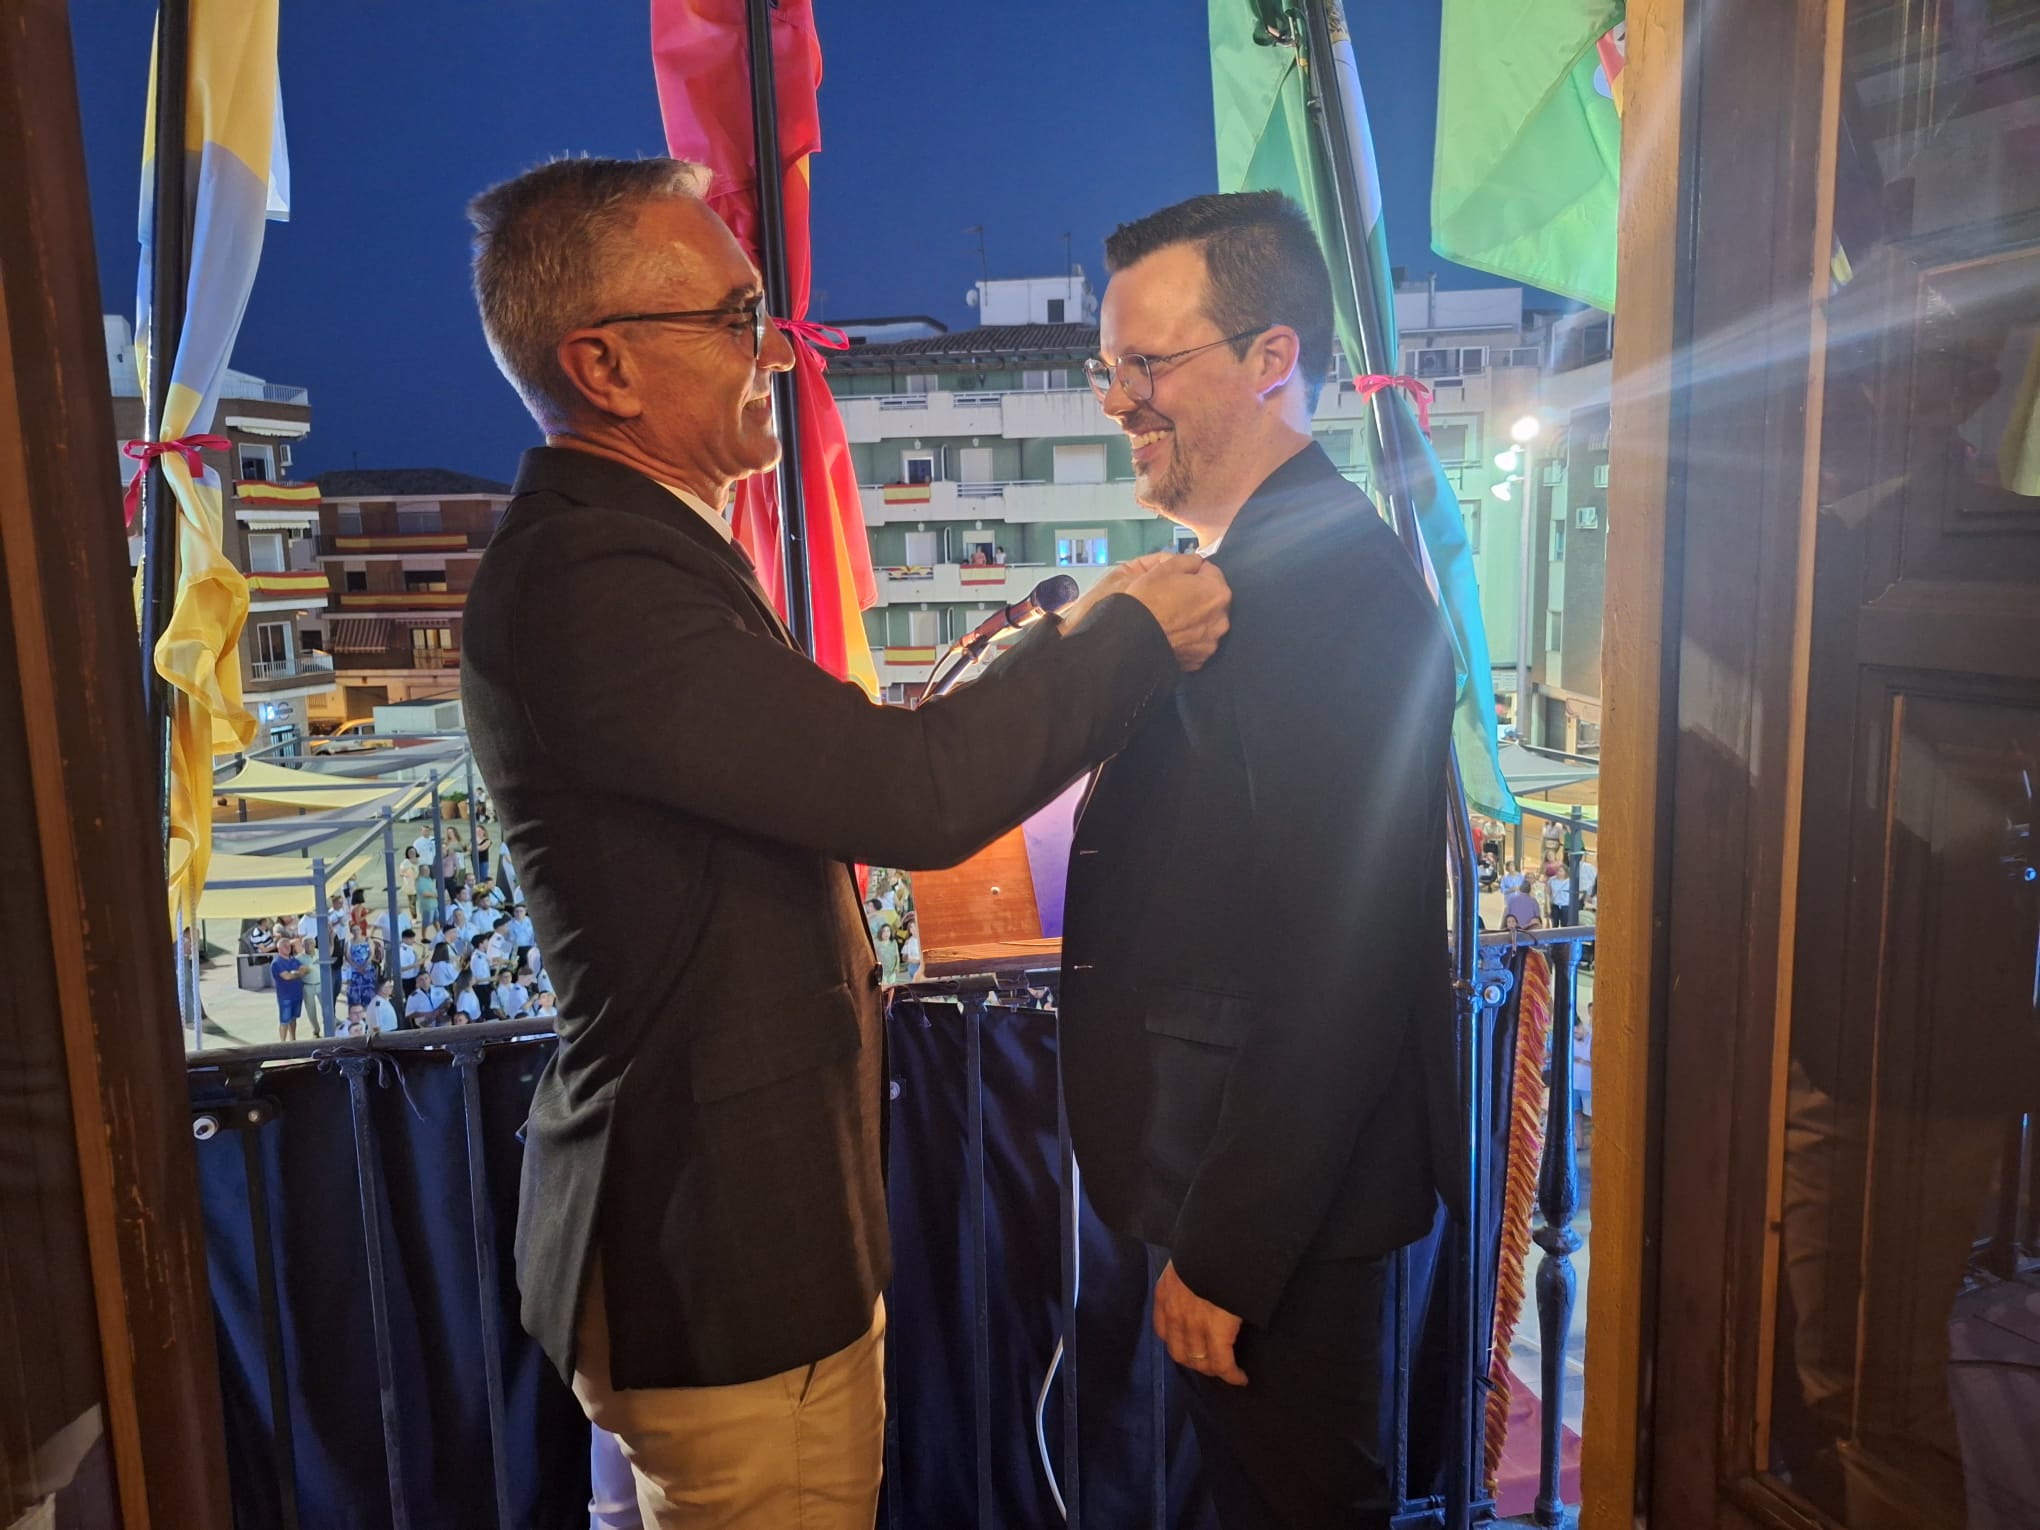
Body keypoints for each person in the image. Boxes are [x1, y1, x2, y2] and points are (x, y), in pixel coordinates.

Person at [460, 154, 1230, 1529]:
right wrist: (1128, 636)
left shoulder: (632, 549)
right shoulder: (595, 581)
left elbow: (850, 762)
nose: (771, 345)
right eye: (733, 312)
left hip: (695, 1249)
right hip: (723, 1266)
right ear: (607, 366)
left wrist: (1060, 641)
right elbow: (910, 794)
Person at [1056, 191, 1457, 1529]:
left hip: (1286, 1218)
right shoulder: (1252, 564)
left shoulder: (1332, 592)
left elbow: (1340, 961)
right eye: (1109, 368)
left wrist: (1226, 1251)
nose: (1120, 399)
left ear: (1272, 358)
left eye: (1149, 364)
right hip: (1243, 1180)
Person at [270, 939, 308, 1043]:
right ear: (279, 948)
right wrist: (298, 973)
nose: (288, 948)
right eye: (284, 946)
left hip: (297, 994)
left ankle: (293, 1040)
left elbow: (305, 969)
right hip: (285, 997)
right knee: (284, 1021)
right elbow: (287, 977)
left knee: (293, 1019)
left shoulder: (293, 960)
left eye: (289, 946)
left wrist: (294, 973)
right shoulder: (277, 963)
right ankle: (283, 1043)